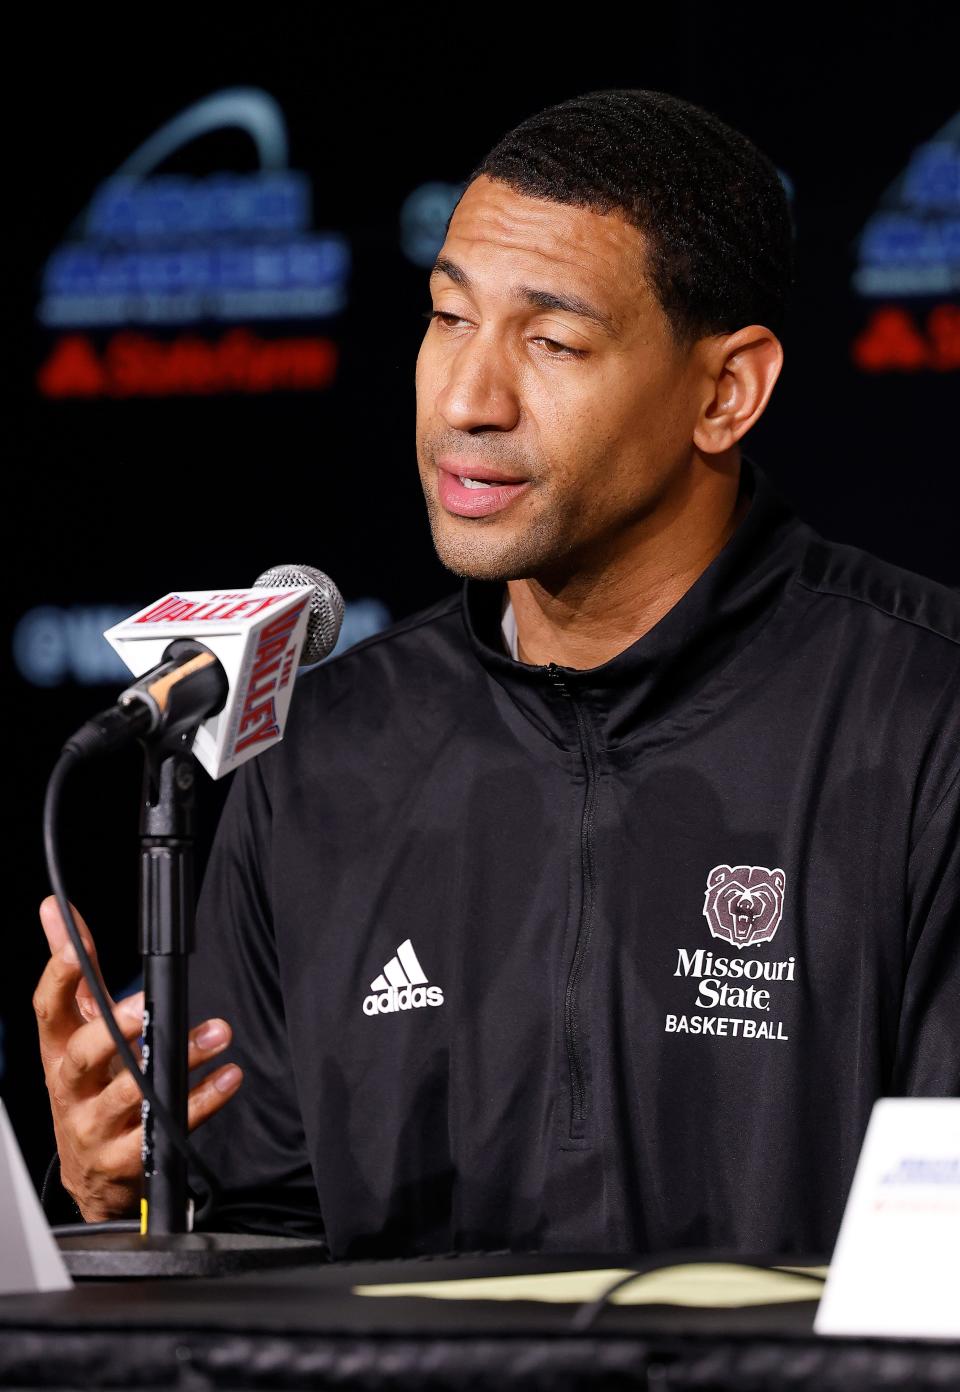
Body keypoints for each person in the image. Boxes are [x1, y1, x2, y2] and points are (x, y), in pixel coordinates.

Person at [34, 89, 960, 1259]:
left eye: (554, 341)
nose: (467, 401)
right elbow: (272, 1246)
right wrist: (132, 1197)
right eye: (447, 318)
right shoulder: (324, 752)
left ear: (725, 393)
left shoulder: (926, 721)